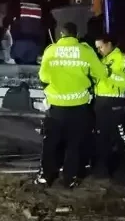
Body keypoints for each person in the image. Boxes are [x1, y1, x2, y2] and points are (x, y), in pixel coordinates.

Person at [34, 22, 106, 188]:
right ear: (77, 34)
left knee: (51, 144)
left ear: (61, 35)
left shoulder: (51, 50)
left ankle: (45, 176)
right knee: (75, 144)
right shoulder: (85, 51)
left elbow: (44, 77)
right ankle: (70, 178)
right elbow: (101, 74)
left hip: (56, 108)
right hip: (78, 107)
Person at [92, 33, 125, 181]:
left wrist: (105, 73)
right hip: (101, 101)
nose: (99, 51)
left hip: (114, 102)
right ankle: (102, 171)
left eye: (101, 47)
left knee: (121, 137)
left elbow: (123, 81)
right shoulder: (104, 60)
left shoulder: (122, 60)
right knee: (101, 138)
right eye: (97, 48)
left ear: (109, 44)